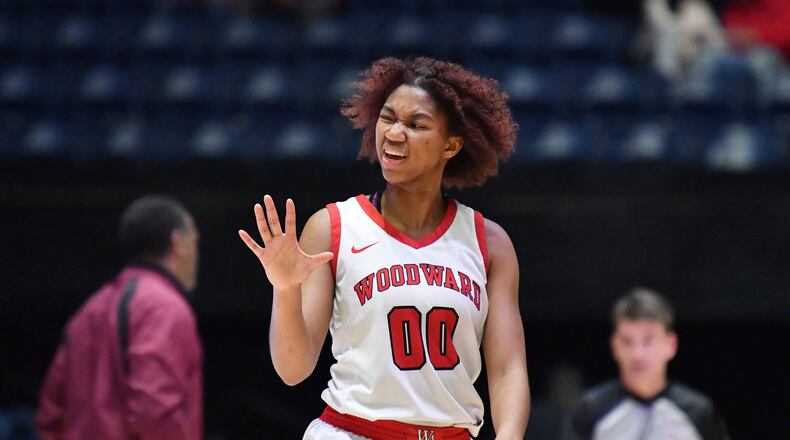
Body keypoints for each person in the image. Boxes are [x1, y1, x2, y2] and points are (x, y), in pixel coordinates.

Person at [239, 57, 530, 439]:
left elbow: (508, 370)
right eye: (388, 118)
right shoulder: (334, 227)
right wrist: (285, 289)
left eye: (415, 124)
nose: (394, 133)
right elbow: (293, 370)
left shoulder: (488, 242)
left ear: (451, 145)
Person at [36, 195, 203, 440]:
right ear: (177, 242)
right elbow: (155, 413)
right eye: (195, 240)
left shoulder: (89, 310)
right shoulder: (164, 308)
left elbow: (50, 417)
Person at [567, 287, 727, 440]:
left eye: (648, 341)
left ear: (671, 345)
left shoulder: (698, 411)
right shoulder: (591, 410)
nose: (638, 354)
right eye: (627, 341)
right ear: (615, 346)